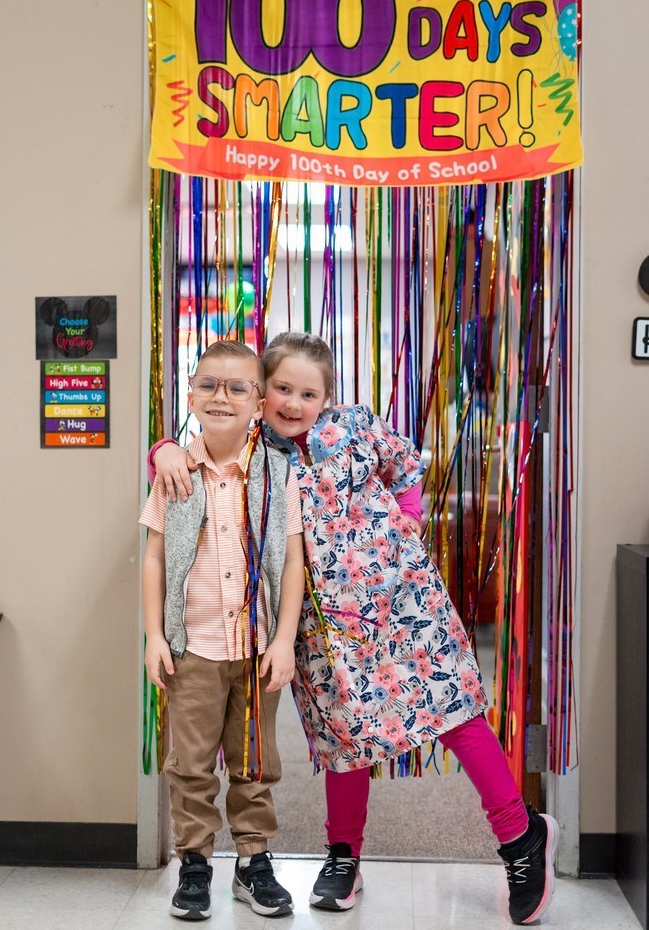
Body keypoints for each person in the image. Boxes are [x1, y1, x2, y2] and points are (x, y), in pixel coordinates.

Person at [149, 332, 559, 926]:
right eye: (281, 389)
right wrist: (160, 447)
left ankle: (520, 839)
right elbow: (194, 449)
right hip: (322, 625)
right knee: (345, 736)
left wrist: (411, 520)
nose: (293, 402)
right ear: (261, 396)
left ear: (328, 397)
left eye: (307, 393)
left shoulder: (357, 427)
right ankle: (344, 855)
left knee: (455, 715)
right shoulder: (258, 449)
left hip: (403, 603)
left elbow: (407, 465)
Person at [140, 339, 305, 921]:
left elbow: (291, 561)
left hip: (258, 652)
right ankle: (194, 864)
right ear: (191, 394)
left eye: (238, 387)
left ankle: (254, 862)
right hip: (195, 651)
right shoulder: (176, 471)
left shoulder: (278, 473)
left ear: (258, 403)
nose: (221, 396)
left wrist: (284, 640)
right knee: (190, 764)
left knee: (254, 762)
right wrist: (155, 636)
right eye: (208, 384)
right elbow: (155, 557)